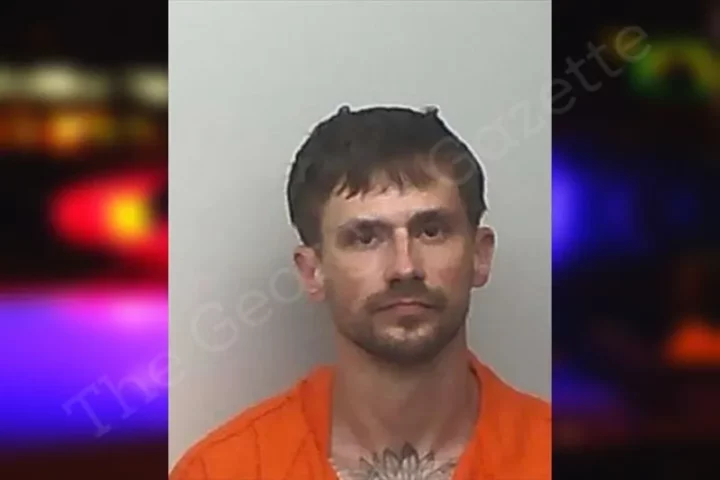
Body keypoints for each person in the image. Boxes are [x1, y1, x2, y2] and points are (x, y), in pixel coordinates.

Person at [170, 105, 550, 480]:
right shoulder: (220, 471)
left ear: (480, 256)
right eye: (365, 238)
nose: (405, 267)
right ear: (312, 271)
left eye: (431, 231)